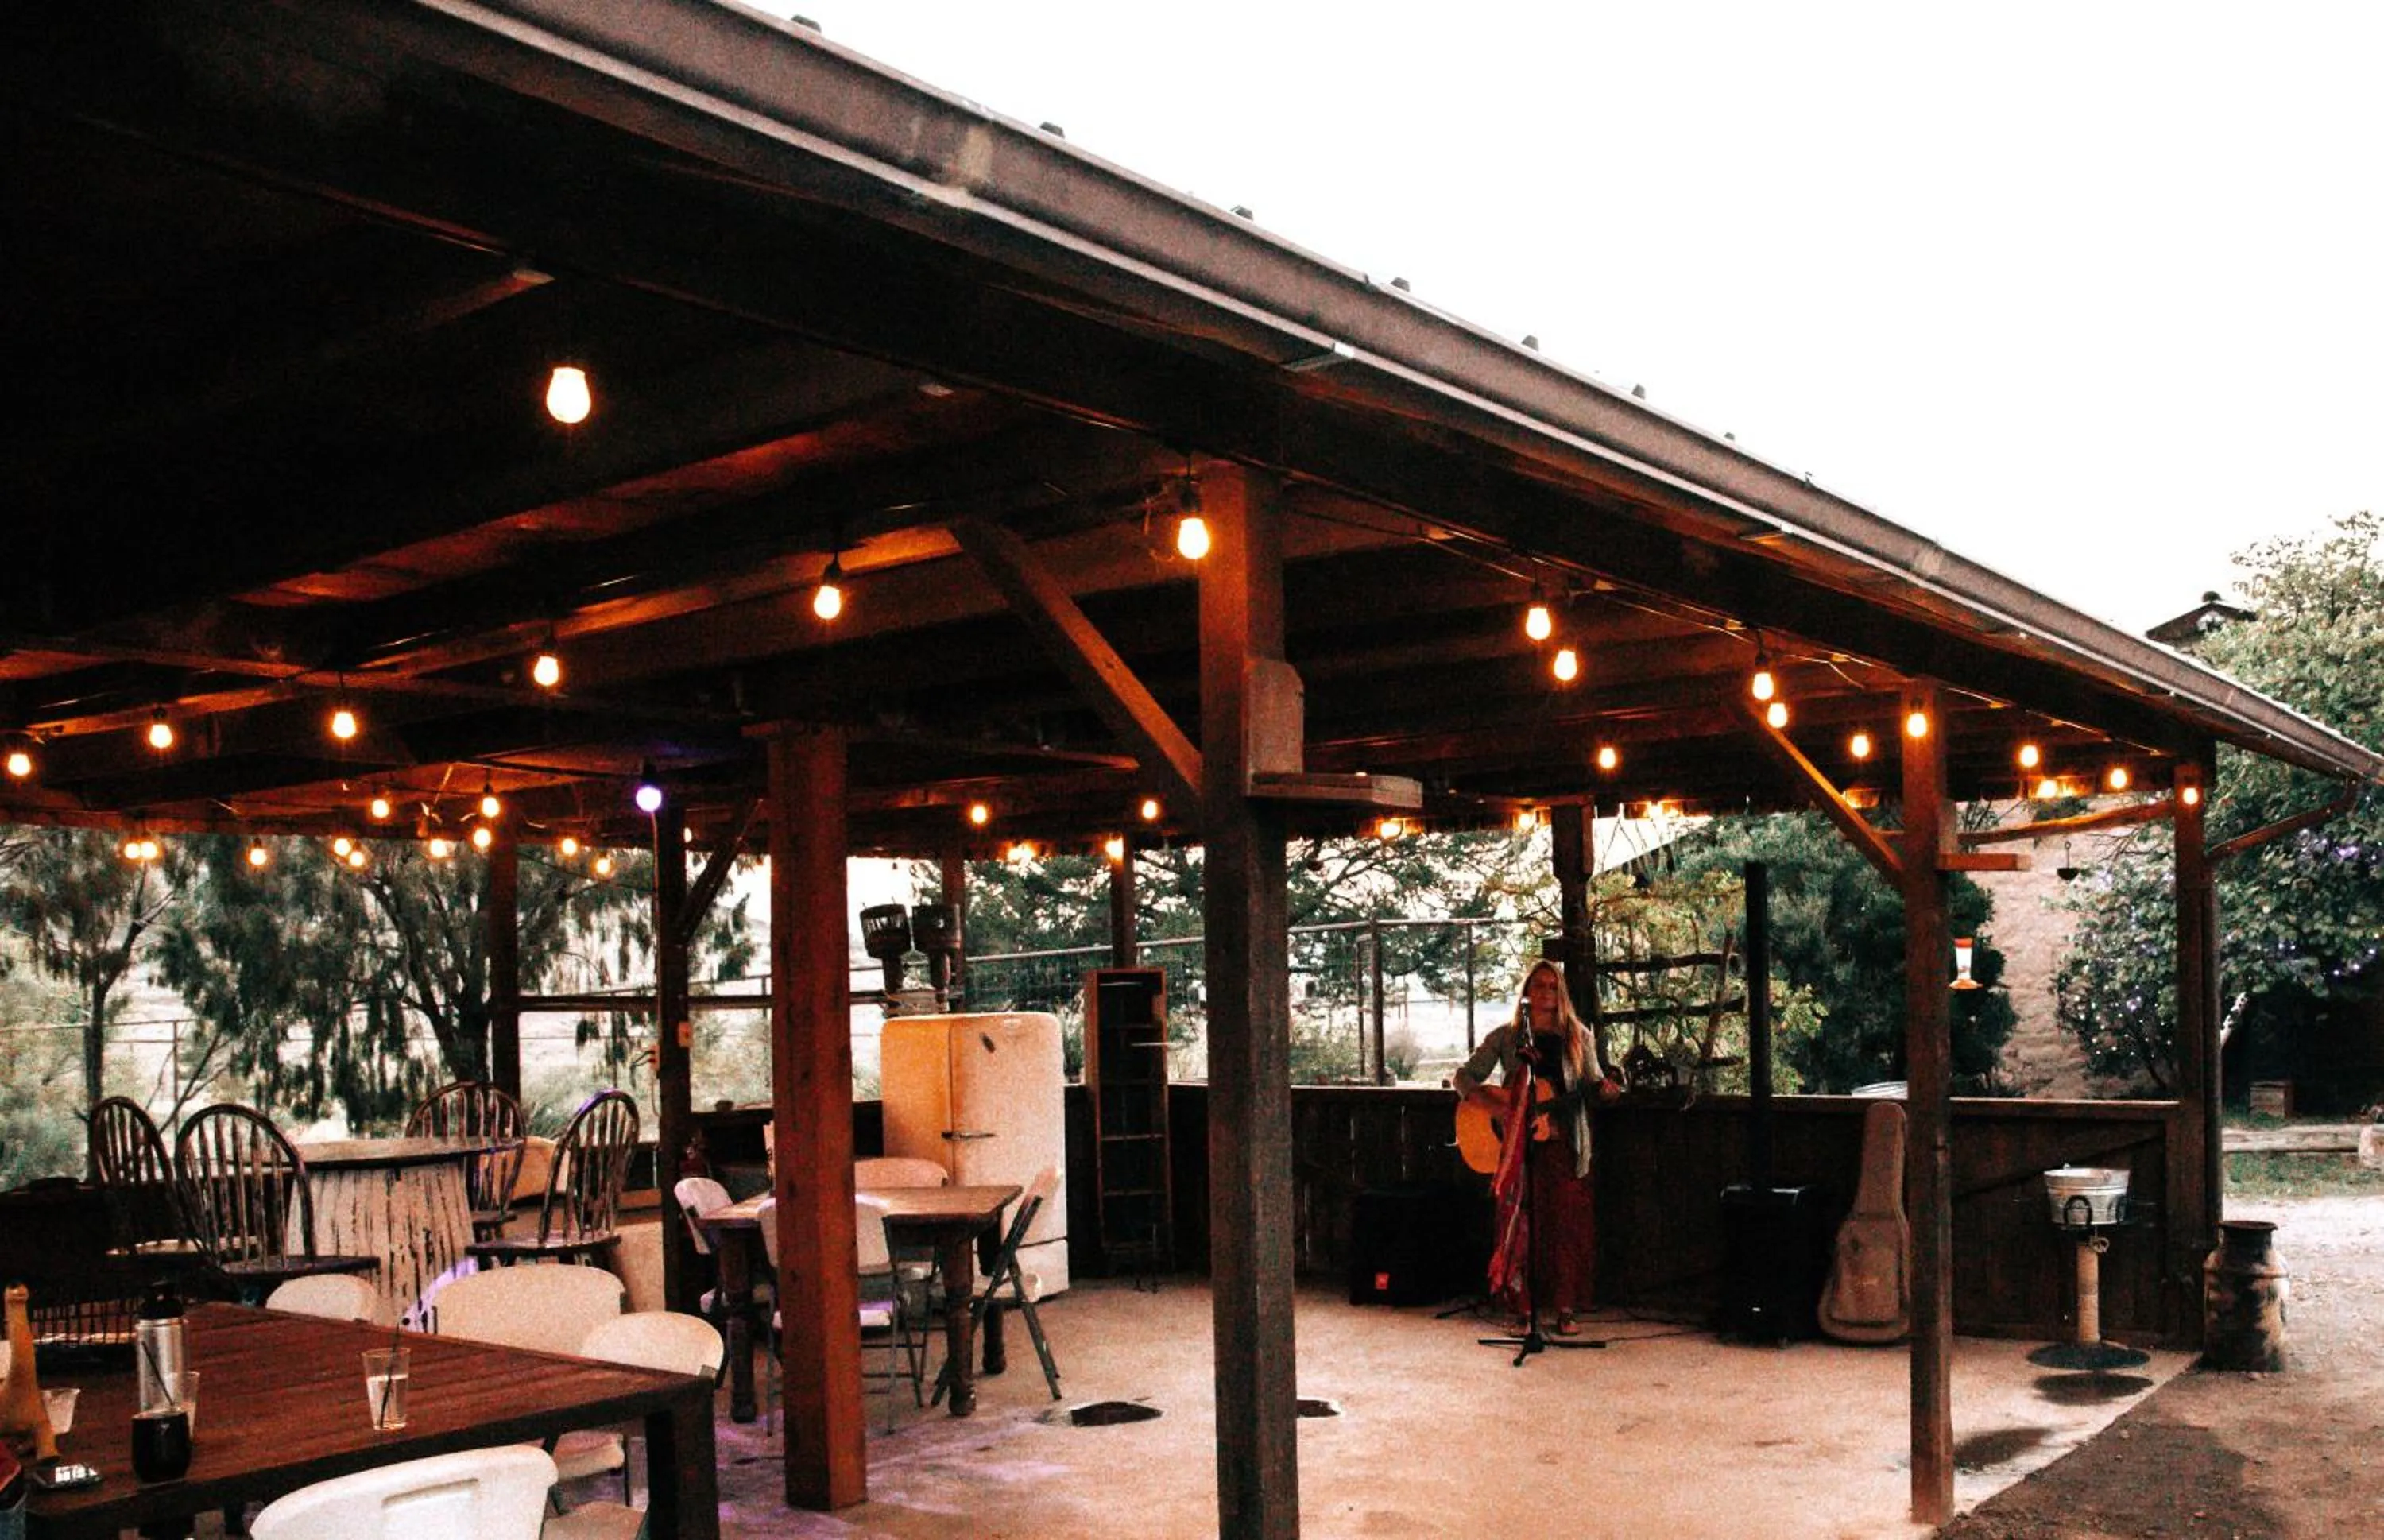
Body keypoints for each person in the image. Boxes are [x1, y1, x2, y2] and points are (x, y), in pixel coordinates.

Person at [1453, 958, 1619, 1334]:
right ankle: (1521, 1309)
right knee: (1519, 1225)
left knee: (1564, 1226)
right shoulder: (1506, 1037)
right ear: (1526, 991)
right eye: (1539, 985)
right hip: (1515, 1145)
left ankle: (1565, 1308)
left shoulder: (1579, 1036)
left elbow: (1595, 1085)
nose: (1546, 992)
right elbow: (1464, 1077)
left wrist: (1608, 1091)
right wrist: (1498, 1107)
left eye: (1553, 986)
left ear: (1562, 993)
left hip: (1563, 1143)